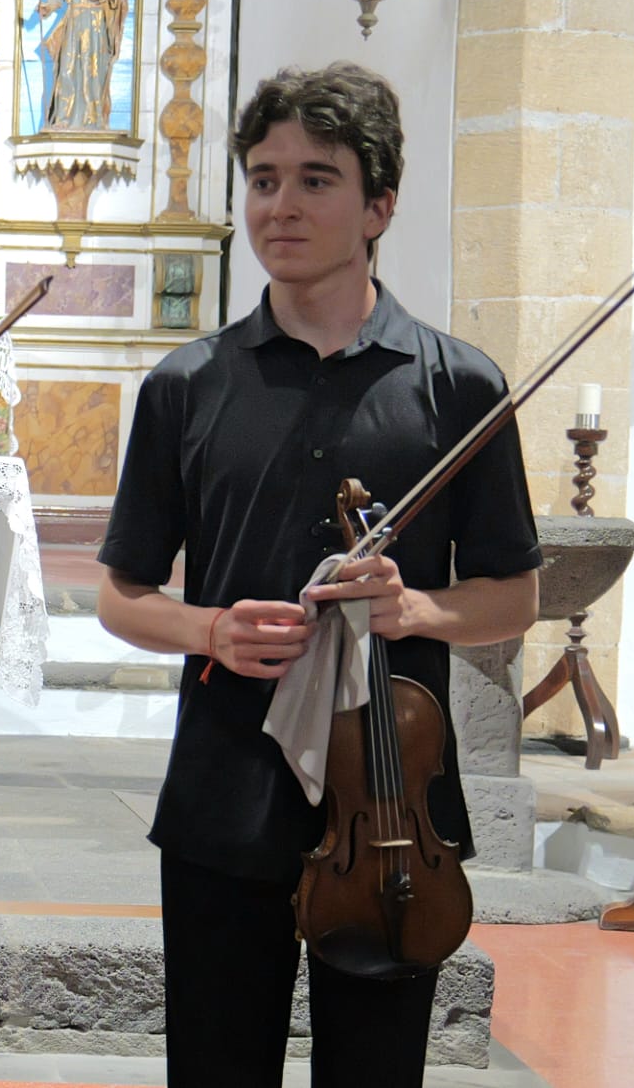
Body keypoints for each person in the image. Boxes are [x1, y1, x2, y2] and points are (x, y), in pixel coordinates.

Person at [94, 62, 541, 1088]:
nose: (277, 206)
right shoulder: (185, 385)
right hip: (225, 779)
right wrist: (208, 630)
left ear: (378, 202)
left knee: (374, 1073)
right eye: (260, 178)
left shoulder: (457, 384)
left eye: (313, 179)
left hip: (392, 794)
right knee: (213, 1066)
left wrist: (415, 605)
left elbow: (511, 595)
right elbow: (122, 592)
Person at [34, 0, 128, 130]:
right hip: (74, 23)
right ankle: (64, 117)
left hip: (96, 27)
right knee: (68, 68)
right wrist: (47, 8)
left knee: (93, 69)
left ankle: (93, 118)